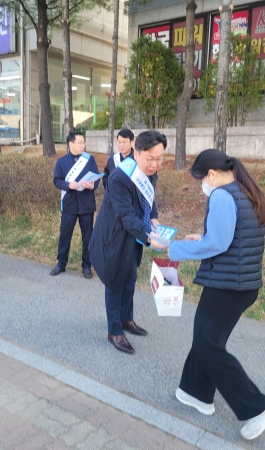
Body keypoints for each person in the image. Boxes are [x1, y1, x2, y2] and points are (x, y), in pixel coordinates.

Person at [152, 149, 265, 441]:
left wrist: (171, 247)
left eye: (201, 180)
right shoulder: (245, 190)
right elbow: (232, 237)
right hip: (243, 284)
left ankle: (256, 407)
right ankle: (194, 392)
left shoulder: (221, 195)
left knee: (208, 344)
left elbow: (218, 244)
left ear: (211, 174)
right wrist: (203, 238)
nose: (202, 186)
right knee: (208, 339)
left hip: (227, 286)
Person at [89, 130, 164, 354]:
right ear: (136, 153)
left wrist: (153, 216)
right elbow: (126, 216)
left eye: (159, 158)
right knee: (115, 281)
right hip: (115, 236)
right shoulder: (120, 177)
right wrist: (149, 236)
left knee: (130, 277)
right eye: (150, 159)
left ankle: (126, 319)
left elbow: (149, 198)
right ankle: (114, 331)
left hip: (134, 236)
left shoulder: (150, 172)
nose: (155, 164)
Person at [50, 131, 100, 279]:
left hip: (86, 204)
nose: (83, 145)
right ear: (70, 144)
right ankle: (61, 263)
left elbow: (96, 178)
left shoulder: (89, 159)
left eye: (84, 142)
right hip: (69, 203)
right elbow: (57, 181)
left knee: (88, 237)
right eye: (80, 143)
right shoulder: (61, 162)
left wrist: (92, 185)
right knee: (65, 235)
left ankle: (87, 265)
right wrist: (68, 185)